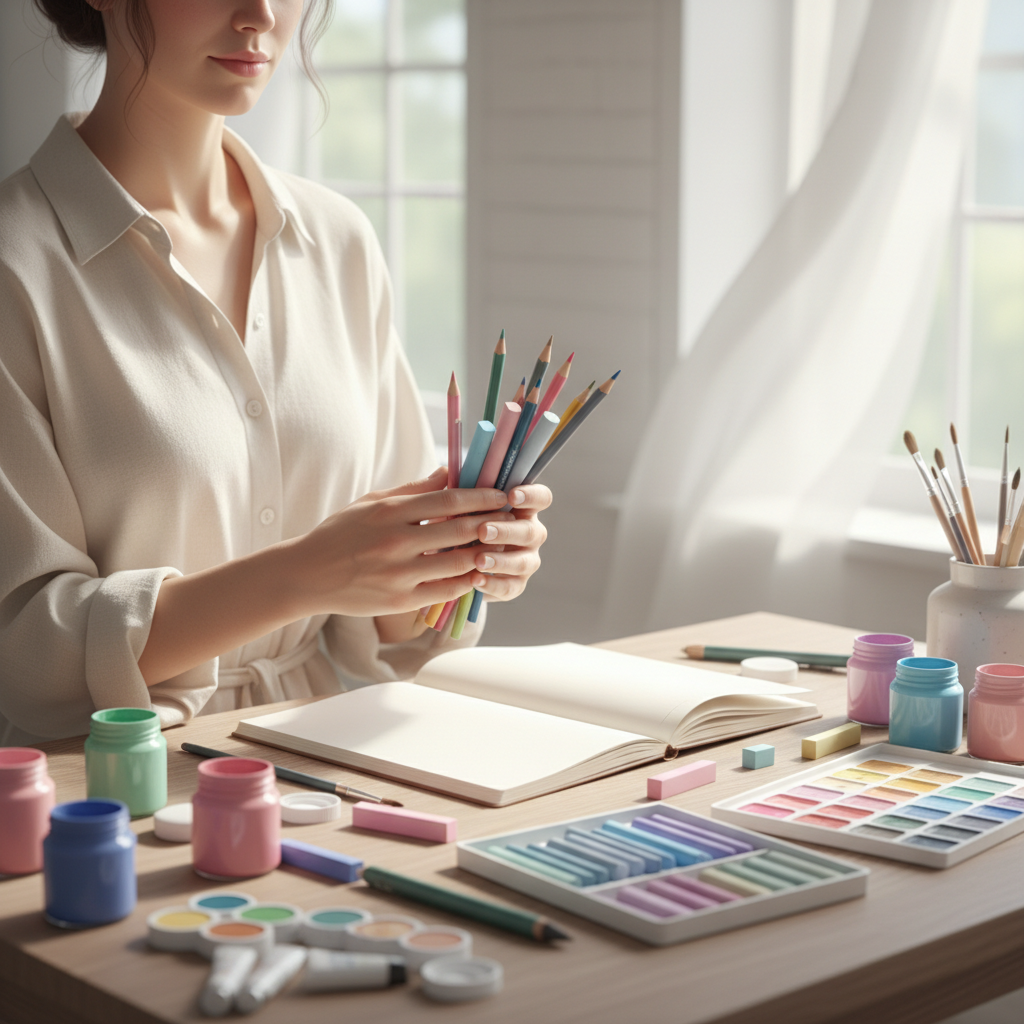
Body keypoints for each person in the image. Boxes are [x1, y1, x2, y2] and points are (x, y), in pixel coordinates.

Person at [0, 0, 551, 745]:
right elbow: (27, 650)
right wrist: (306, 573)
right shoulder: (17, 267)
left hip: (320, 764)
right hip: (106, 788)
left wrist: (464, 555)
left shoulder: (338, 241)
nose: (260, 13)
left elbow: (397, 627)